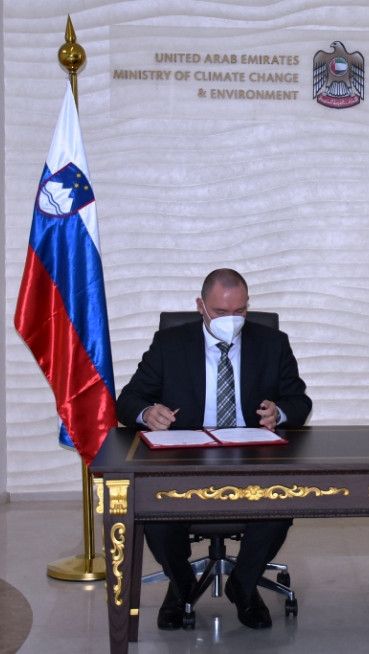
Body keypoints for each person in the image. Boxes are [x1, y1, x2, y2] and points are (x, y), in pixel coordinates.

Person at [116, 268, 312, 632]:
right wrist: (147, 413)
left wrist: (279, 413)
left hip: (251, 457)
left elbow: (299, 401)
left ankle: (244, 584)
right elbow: (127, 400)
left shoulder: (272, 343)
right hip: (185, 458)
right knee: (154, 509)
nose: (232, 321)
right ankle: (181, 586)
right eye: (222, 313)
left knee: (280, 502)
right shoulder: (169, 344)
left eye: (240, 312)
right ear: (201, 307)